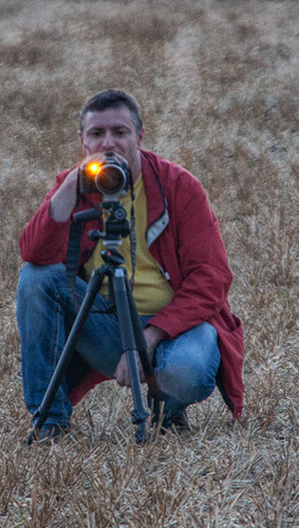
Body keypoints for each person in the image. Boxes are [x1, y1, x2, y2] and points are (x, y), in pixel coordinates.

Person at [17, 89, 243, 442]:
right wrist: (71, 187)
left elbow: (212, 278)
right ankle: (50, 424)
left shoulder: (179, 187)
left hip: (174, 329)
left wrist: (149, 338)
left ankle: (168, 410)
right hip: (105, 325)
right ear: (82, 141)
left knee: (186, 371)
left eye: (120, 133)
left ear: (139, 136)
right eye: (96, 134)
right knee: (35, 279)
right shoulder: (73, 184)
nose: (109, 144)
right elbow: (33, 253)